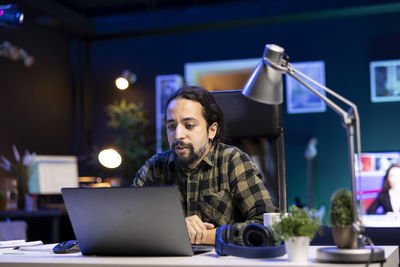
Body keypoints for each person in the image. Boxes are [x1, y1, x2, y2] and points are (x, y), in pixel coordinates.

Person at [132, 86, 278, 245]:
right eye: (172, 126)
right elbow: (127, 219)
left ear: (212, 130)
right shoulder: (155, 167)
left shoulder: (232, 161)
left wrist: (202, 236)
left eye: (189, 125)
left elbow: (268, 224)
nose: (178, 135)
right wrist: (178, 228)